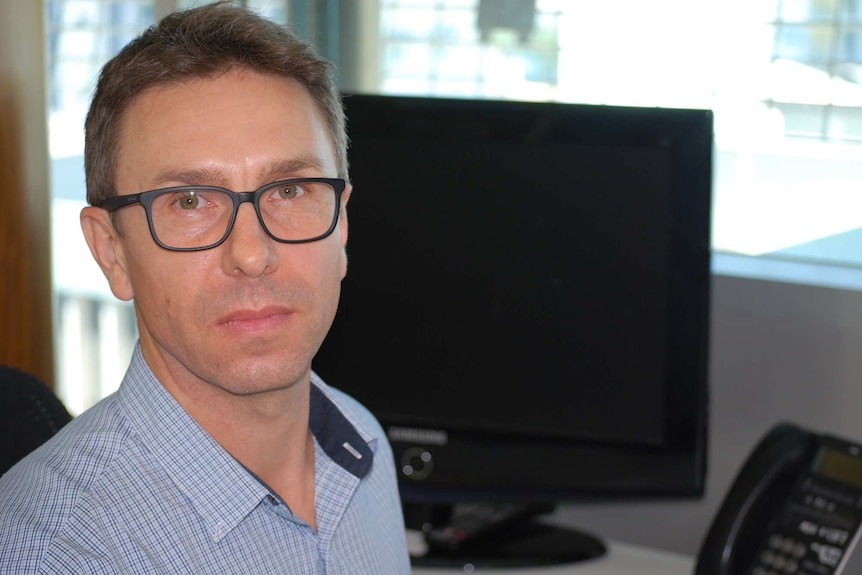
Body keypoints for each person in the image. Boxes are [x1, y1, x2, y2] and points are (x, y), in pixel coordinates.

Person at [0, 2, 411, 573]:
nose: (251, 255)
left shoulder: (363, 444)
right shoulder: (54, 553)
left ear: (340, 224)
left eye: (290, 190)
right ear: (111, 252)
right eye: (189, 201)